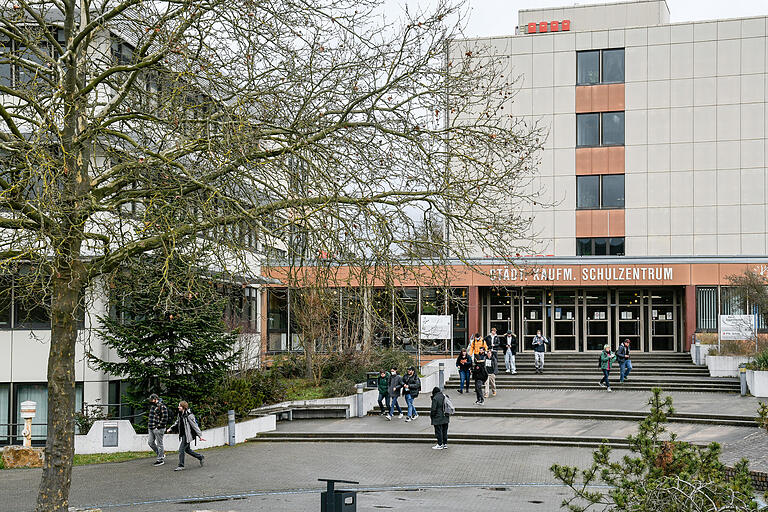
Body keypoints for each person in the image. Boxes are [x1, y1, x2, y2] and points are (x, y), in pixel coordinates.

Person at [166, 401, 206, 471]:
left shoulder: (189, 415)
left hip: (187, 435)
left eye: (180, 406)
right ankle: (200, 457)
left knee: (181, 450)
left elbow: (195, 426)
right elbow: (177, 422)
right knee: (187, 450)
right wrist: (171, 428)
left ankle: (181, 465)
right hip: (183, 434)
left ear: (183, 407)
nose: (178, 407)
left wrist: (200, 436)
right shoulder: (180, 414)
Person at [147, 393, 168, 466]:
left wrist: (158, 426)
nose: (150, 401)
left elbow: (165, 418)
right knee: (150, 442)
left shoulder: (162, 406)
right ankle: (161, 454)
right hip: (151, 427)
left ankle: (160, 460)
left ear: (155, 399)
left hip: (158, 428)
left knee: (160, 444)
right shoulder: (153, 406)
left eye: (151, 400)